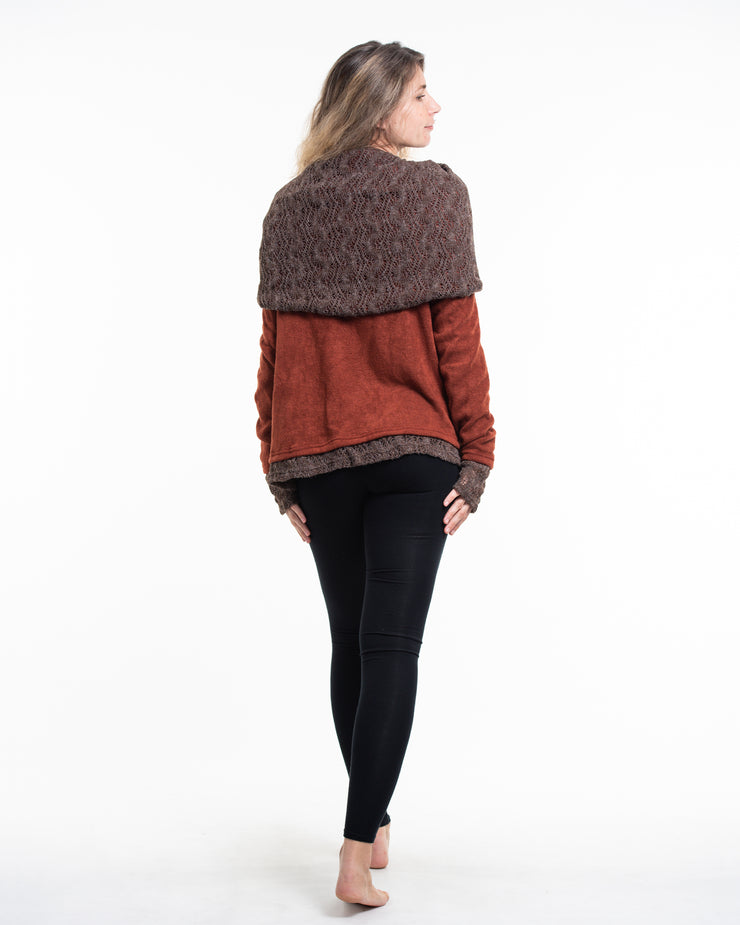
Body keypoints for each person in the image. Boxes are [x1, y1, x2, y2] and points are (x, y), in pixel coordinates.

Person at [254, 40, 496, 907]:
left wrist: (280, 466)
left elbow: (274, 352)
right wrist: (478, 454)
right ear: (382, 105)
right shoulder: (436, 196)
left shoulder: (290, 207)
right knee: (389, 645)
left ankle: (373, 821)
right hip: (413, 455)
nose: (436, 107)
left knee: (352, 640)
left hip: (320, 456)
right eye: (421, 93)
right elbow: (457, 341)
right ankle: (357, 849)